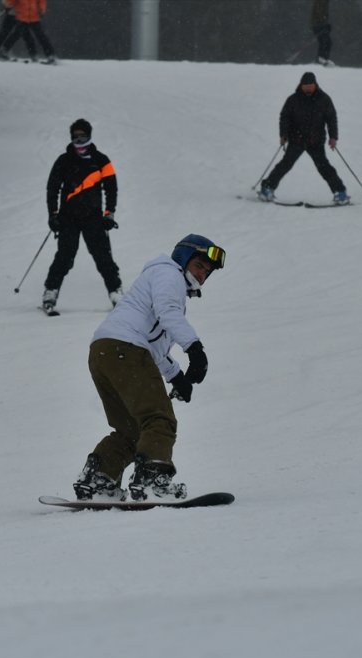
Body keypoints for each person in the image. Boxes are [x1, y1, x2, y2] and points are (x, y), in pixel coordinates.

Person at [72, 234, 226, 502]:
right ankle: (153, 481)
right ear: (183, 259)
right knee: (159, 419)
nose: (203, 274)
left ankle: (99, 479)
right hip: (125, 350)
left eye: (207, 271)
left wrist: (177, 376)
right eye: (199, 266)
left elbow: (154, 348)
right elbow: (168, 314)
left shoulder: (159, 281)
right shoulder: (169, 276)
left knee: (132, 429)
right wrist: (195, 350)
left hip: (104, 352)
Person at [43, 119, 122, 313]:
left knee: (103, 256)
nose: (79, 141)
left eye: (83, 136)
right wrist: (53, 214)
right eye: (75, 137)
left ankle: (116, 293)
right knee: (65, 256)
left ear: (89, 136)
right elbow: (52, 188)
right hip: (68, 218)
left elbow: (111, 188)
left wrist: (109, 214)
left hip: (93, 218)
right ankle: (50, 292)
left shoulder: (101, 160)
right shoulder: (63, 161)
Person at [259, 72, 350, 206]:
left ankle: (340, 192)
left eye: (310, 86)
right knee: (285, 165)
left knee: (324, 167)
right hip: (297, 140)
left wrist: (333, 137)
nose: (308, 88)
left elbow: (331, 119)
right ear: (301, 86)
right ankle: (267, 188)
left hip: (316, 141)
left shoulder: (324, 99)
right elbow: (284, 117)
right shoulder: (293, 99)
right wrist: (283, 134)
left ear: (315, 85)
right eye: (305, 86)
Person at [0, 0, 57, 65]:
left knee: (41, 36)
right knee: (16, 34)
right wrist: (8, 5)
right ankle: (4, 51)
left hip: (34, 17)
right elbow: (13, 1)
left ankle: (50, 55)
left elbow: (42, 1)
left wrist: (42, 10)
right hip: (22, 17)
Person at [311, 0, 334, 67]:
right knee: (325, 41)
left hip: (319, 24)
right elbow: (319, 13)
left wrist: (326, 25)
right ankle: (321, 58)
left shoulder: (325, 2)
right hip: (318, 25)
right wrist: (324, 25)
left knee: (327, 42)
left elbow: (323, 15)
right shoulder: (321, 1)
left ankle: (323, 59)